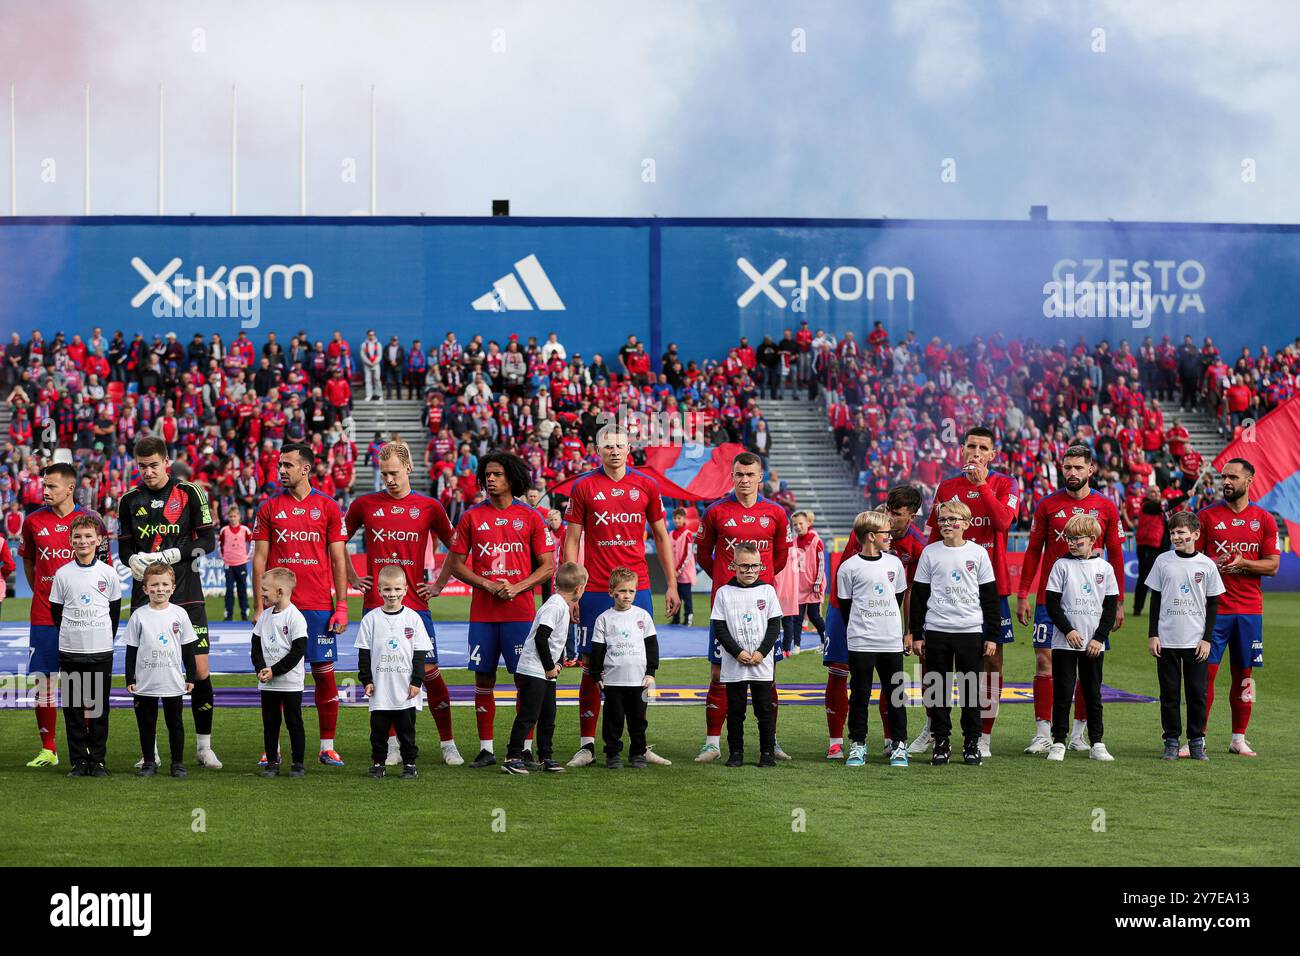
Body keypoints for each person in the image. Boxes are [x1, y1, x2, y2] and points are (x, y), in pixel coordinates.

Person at [561, 425, 678, 768]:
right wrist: (573, 589)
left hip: (638, 587)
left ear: (630, 449)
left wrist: (671, 583)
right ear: (598, 450)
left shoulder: (646, 485)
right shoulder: (584, 486)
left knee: (639, 665)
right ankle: (587, 745)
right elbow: (572, 540)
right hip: (595, 587)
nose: (614, 450)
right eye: (607, 445)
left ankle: (639, 746)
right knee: (589, 666)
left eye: (619, 445)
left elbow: (661, 535)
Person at [345, 441, 462, 767]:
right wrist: (353, 578)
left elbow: (456, 545)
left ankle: (447, 743)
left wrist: (440, 583)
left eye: (394, 473)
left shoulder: (429, 506)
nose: (389, 480)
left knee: (429, 671)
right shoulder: (364, 504)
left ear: (409, 468)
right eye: (384, 475)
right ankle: (394, 745)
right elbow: (335, 539)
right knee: (384, 674)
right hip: (375, 605)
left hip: (416, 606)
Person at [447, 450, 556, 769]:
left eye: (497, 474)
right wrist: (487, 584)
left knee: (526, 681)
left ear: (512, 478)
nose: (490, 480)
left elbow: (548, 566)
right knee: (484, 679)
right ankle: (486, 749)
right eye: (487, 475)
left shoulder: (531, 516)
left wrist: (517, 586)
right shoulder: (471, 516)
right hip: (483, 613)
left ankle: (522, 748)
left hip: (520, 614)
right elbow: (455, 565)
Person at [117, 435, 220, 769]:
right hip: (145, 597)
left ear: (165, 461)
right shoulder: (129, 499)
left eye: (153, 465)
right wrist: (131, 560)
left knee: (200, 671)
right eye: (142, 466)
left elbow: (208, 541)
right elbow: (124, 547)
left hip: (187, 593)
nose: (148, 472)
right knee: (147, 671)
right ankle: (152, 752)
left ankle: (204, 747)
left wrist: (176, 553)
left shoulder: (190, 492)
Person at [1015, 445, 1126, 755]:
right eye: (1068, 467)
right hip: (1048, 601)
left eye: (1079, 467)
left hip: (1090, 603)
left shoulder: (1105, 506)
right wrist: (1023, 592)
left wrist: (1117, 602)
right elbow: (1034, 550)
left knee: (1087, 659)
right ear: (1061, 469)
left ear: (1090, 470)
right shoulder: (1047, 505)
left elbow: (1115, 552)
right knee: (1044, 659)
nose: (1073, 473)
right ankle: (1043, 733)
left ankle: (1078, 734)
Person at [916, 426, 1017, 759]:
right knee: (933, 663)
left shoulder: (1005, 484)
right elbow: (934, 536)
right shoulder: (947, 487)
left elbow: (1003, 523)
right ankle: (935, 730)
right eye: (970, 446)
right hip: (947, 590)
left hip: (991, 585)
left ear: (992, 454)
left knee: (991, 661)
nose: (975, 452)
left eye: (982, 447)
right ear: (961, 449)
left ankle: (982, 735)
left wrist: (982, 484)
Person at [252, 442, 351, 766]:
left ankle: (327, 746)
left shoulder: (328, 507)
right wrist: (258, 606)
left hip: (319, 605)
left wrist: (342, 606)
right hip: (279, 609)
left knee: (324, 673)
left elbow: (338, 560)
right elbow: (261, 560)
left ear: (306, 468)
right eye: (280, 465)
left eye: (288, 465)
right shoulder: (268, 508)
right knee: (277, 678)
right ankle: (273, 748)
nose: (281, 470)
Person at [693, 452, 790, 763]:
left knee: (768, 674)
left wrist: (759, 582)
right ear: (732, 476)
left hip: (763, 606)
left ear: (761, 476)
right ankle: (712, 743)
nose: (745, 480)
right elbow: (703, 555)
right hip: (727, 606)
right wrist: (725, 579)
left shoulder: (775, 513)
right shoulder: (715, 512)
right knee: (719, 673)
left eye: (750, 475)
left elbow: (780, 558)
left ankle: (770, 741)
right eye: (739, 474)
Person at [19, 462, 109, 769]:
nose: (44, 491)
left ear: (70, 489)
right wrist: (45, 594)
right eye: (43, 485)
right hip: (44, 614)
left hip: (81, 617)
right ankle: (49, 748)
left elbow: (104, 567)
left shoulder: (91, 521)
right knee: (44, 681)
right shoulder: (32, 521)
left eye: (51, 486)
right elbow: (30, 564)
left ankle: (85, 751)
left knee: (81, 686)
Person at [1196, 458, 1279, 756]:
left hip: (1248, 611)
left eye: (1233, 477)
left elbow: (1272, 566)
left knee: (1244, 676)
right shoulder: (1206, 517)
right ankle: (1197, 738)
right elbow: (1191, 557)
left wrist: (1243, 563)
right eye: (1223, 477)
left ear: (1249, 481)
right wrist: (1209, 565)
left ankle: (1238, 738)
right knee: (1205, 674)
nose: (1226, 482)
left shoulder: (1265, 520)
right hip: (1213, 611)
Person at [909, 499, 999, 767]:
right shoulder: (930, 552)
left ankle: (972, 744)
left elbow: (990, 598)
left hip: (970, 631)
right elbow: (920, 596)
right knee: (938, 691)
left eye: (953, 520)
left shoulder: (979, 554)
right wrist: (917, 633)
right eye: (943, 520)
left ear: (966, 524)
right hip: (937, 631)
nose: (947, 524)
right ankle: (942, 742)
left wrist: (992, 635)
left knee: (971, 691)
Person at [1146, 511, 1223, 761]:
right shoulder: (1163, 561)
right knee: (1169, 693)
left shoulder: (1207, 565)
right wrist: (1153, 634)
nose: (1176, 536)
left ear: (1196, 534)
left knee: (1196, 693)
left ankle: (1196, 741)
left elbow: (1213, 604)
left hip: (1195, 642)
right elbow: (1155, 599)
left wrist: (1207, 638)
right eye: (1172, 532)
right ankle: (1170, 740)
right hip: (1167, 640)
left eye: (1181, 532)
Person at [1042, 515, 1120, 762]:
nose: (1072, 543)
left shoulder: (1105, 569)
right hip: (1065, 642)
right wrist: (1069, 631)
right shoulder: (1061, 566)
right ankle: (1058, 742)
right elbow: (1051, 604)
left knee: (1093, 694)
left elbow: (1109, 608)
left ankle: (1097, 742)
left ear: (1092, 540)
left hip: (1094, 644)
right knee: (1063, 693)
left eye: (1077, 539)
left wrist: (1099, 638)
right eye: (1068, 538)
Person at [49, 513, 121, 777]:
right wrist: (73, 634)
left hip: (101, 650)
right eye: (78, 537)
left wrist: (101, 636)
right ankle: (79, 760)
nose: (83, 541)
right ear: (70, 541)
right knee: (74, 709)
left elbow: (114, 614)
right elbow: (57, 612)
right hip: (71, 651)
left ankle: (98, 760)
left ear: (99, 540)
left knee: (99, 708)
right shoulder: (63, 574)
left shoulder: (109, 573)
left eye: (89, 536)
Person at [837, 510, 910, 767]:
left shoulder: (894, 564)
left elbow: (897, 599)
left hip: (890, 641)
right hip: (861, 641)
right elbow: (846, 607)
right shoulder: (848, 568)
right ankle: (858, 744)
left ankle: (900, 744)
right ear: (870, 536)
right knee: (859, 695)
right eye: (885, 533)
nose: (890, 537)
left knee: (896, 695)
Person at [501, 561, 586, 775]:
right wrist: (550, 666)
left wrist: (557, 663)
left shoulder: (561, 606)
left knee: (548, 715)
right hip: (533, 670)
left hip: (544, 671)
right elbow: (541, 637)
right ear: (578, 589)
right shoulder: (555, 605)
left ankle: (546, 756)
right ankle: (512, 756)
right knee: (528, 715)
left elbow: (555, 641)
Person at [356, 566, 433, 780]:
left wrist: (417, 681)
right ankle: (378, 763)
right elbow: (364, 653)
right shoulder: (370, 619)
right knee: (378, 731)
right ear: (379, 590)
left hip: (405, 689)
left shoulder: (413, 619)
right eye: (387, 589)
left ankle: (409, 764)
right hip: (380, 688)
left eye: (397, 588)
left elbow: (420, 653)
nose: (392, 594)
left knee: (406, 731)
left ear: (406, 589)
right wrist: (366, 680)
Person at [711, 542, 783, 767]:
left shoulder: (767, 591)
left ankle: (767, 754)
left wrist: (762, 652)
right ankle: (736, 754)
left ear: (761, 566)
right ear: (733, 565)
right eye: (744, 566)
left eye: (754, 566)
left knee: (765, 710)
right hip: (735, 664)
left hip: (761, 663)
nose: (749, 571)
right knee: (735, 711)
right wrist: (737, 652)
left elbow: (774, 626)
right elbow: (720, 628)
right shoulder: (724, 593)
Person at [124, 563, 198, 778]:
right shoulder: (139, 616)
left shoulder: (180, 614)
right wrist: (130, 677)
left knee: (175, 722)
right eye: (154, 585)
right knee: (147, 723)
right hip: (146, 681)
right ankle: (149, 762)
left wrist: (191, 675)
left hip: (172, 679)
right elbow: (131, 649)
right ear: (145, 589)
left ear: (173, 588)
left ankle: (177, 763)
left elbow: (188, 648)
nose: (160, 589)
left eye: (165, 584)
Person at [588, 566, 661, 769]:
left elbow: (652, 646)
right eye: (622, 591)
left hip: (639, 680)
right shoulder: (604, 618)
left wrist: (651, 672)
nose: (627, 595)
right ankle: (612, 754)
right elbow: (598, 649)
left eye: (631, 591)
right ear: (611, 592)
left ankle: (638, 753)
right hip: (613, 680)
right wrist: (596, 675)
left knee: (638, 721)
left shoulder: (643, 616)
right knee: (614, 721)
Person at [252, 568, 309, 777]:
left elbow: (298, 651)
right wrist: (260, 669)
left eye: (265, 590)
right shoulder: (265, 617)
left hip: (290, 682)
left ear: (280, 591)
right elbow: (256, 646)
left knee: (294, 721)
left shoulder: (295, 617)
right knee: (270, 723)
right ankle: (272, 763)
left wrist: (274, 671)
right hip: (267, 682)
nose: (262, 594)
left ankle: (298, 763)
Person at [792, 511, 826, 650]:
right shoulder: (793, 542)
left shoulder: (816, 540)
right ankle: (796, 646)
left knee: (814, 615)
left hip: (813, 585)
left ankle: (825, 640)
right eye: (795, 524)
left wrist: (817, 583)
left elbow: (821, 563)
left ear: (808, 524)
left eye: (801, 523)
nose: (798, 527)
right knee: (797, 618)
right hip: (799, 586)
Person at [1132, 490, 1167, 615]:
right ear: (1148, 495)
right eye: (1153, 493)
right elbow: (1163, 505)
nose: (1156, 495)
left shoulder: (1160, 510)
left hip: (1159, 547)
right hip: (1147, 546)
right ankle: (1137, 608)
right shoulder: (1147, 506)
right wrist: (1185, 496)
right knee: (1144, 578)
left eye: (1158, 493)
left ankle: (1159, 609)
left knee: (1161, 579)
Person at [218, 506, 254, 622]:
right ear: (228, 517)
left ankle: (245, 613)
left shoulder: (245, 530)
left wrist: (249, 556)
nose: (233, 518)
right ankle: (228, 614)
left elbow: (252, 542)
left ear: (239, 517)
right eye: (231, 516)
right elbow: (220, 545)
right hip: (229, 564)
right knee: (229, 589)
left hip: (241, 563)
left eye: (235, 516)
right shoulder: (224, 530)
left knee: (242, 589)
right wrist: (223, 557)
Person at [669, 507, 697, 626]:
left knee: (686, 597)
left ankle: (688, 619)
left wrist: (678, 570)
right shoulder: (670, 534)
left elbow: (687, 554)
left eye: (679, 518)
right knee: (675, 596)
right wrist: (671, 570)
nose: (676, 520)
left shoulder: (687, 534)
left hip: (684, 573)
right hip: (674, 573)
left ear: (684, 519)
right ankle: (675, 619)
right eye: (675, 518)